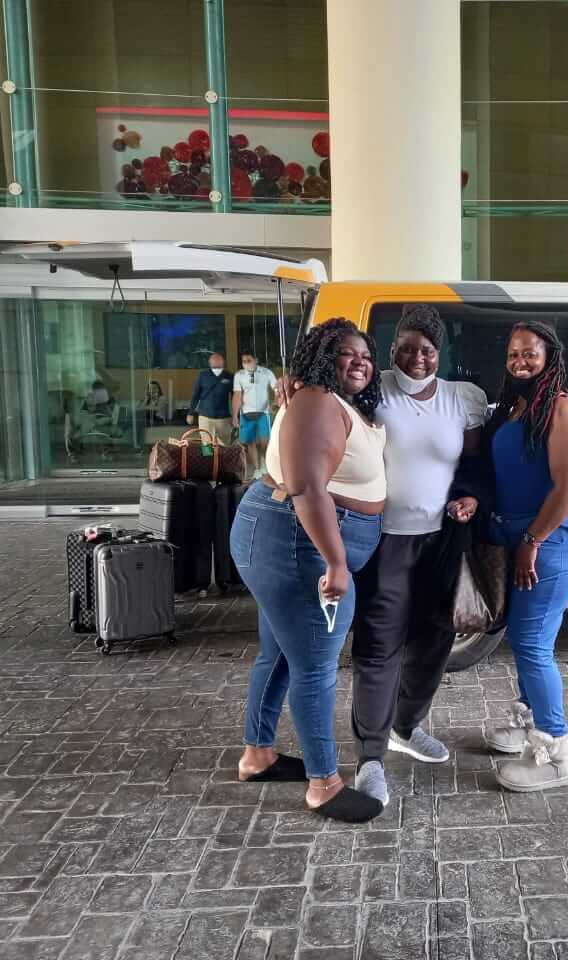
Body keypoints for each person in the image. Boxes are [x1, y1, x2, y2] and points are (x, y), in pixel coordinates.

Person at [230, 318, 387, 823]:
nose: (359, 360)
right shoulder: (318, 400)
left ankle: (258, 755)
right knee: (315, 666)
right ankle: (323, 784)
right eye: (346, 352)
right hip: (300, 544)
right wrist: (337, 562)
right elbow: (307, 488)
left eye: (365, 353)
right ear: (323, 358)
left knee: (278, 654)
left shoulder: (330, 401)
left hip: (291, 539)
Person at [349, 304, 488, 807]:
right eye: (405, 348)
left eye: (426, 350)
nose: (415, 358)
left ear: (439, 353)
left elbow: (473, 463)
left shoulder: (461, 400)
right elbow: (329, 401)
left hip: (442, 540)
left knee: (435, 640)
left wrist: (470, 495)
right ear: (391, 350)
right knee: (380, 645)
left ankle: (405, 726)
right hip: (387, 540)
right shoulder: (373, 388)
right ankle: (369, 757)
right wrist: (293, 388)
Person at [482, 320, 568, 793]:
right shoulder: (518, 406)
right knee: (525, 641)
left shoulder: (561, 408)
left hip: (547, 541)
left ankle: (553, 753)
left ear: (550, 356)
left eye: (530, 353)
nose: (520, 362)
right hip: (522, 538)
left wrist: (531, 541)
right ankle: (527, 725)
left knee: (532, 645)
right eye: (513, 354)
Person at [233, 351, 278, 479]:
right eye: (244, 361)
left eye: (249, 360)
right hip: (246, 413)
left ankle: (265, 462)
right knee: (250, 442)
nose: (246, 363)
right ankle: (257, 469)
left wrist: (274, 404)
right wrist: (235, 415)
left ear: (256, 360)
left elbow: (276, 389)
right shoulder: (239, 375)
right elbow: (237, 395)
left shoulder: (266, 373)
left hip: (263, 412)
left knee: (265, 441)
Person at [187, 352, 234, 445]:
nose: (216, 363)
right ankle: (208, 459)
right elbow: (195, 395)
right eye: (214, 361)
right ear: (210, 363)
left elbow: (235, 397)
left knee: (225, 445)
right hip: (205, 417)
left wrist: (236, 416)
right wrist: (190, 413)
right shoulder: (203, 375)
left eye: (218, 360)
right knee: (206, 445)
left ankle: (223, 460)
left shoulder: (229, 376)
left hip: (224, 418)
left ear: (223, 362)